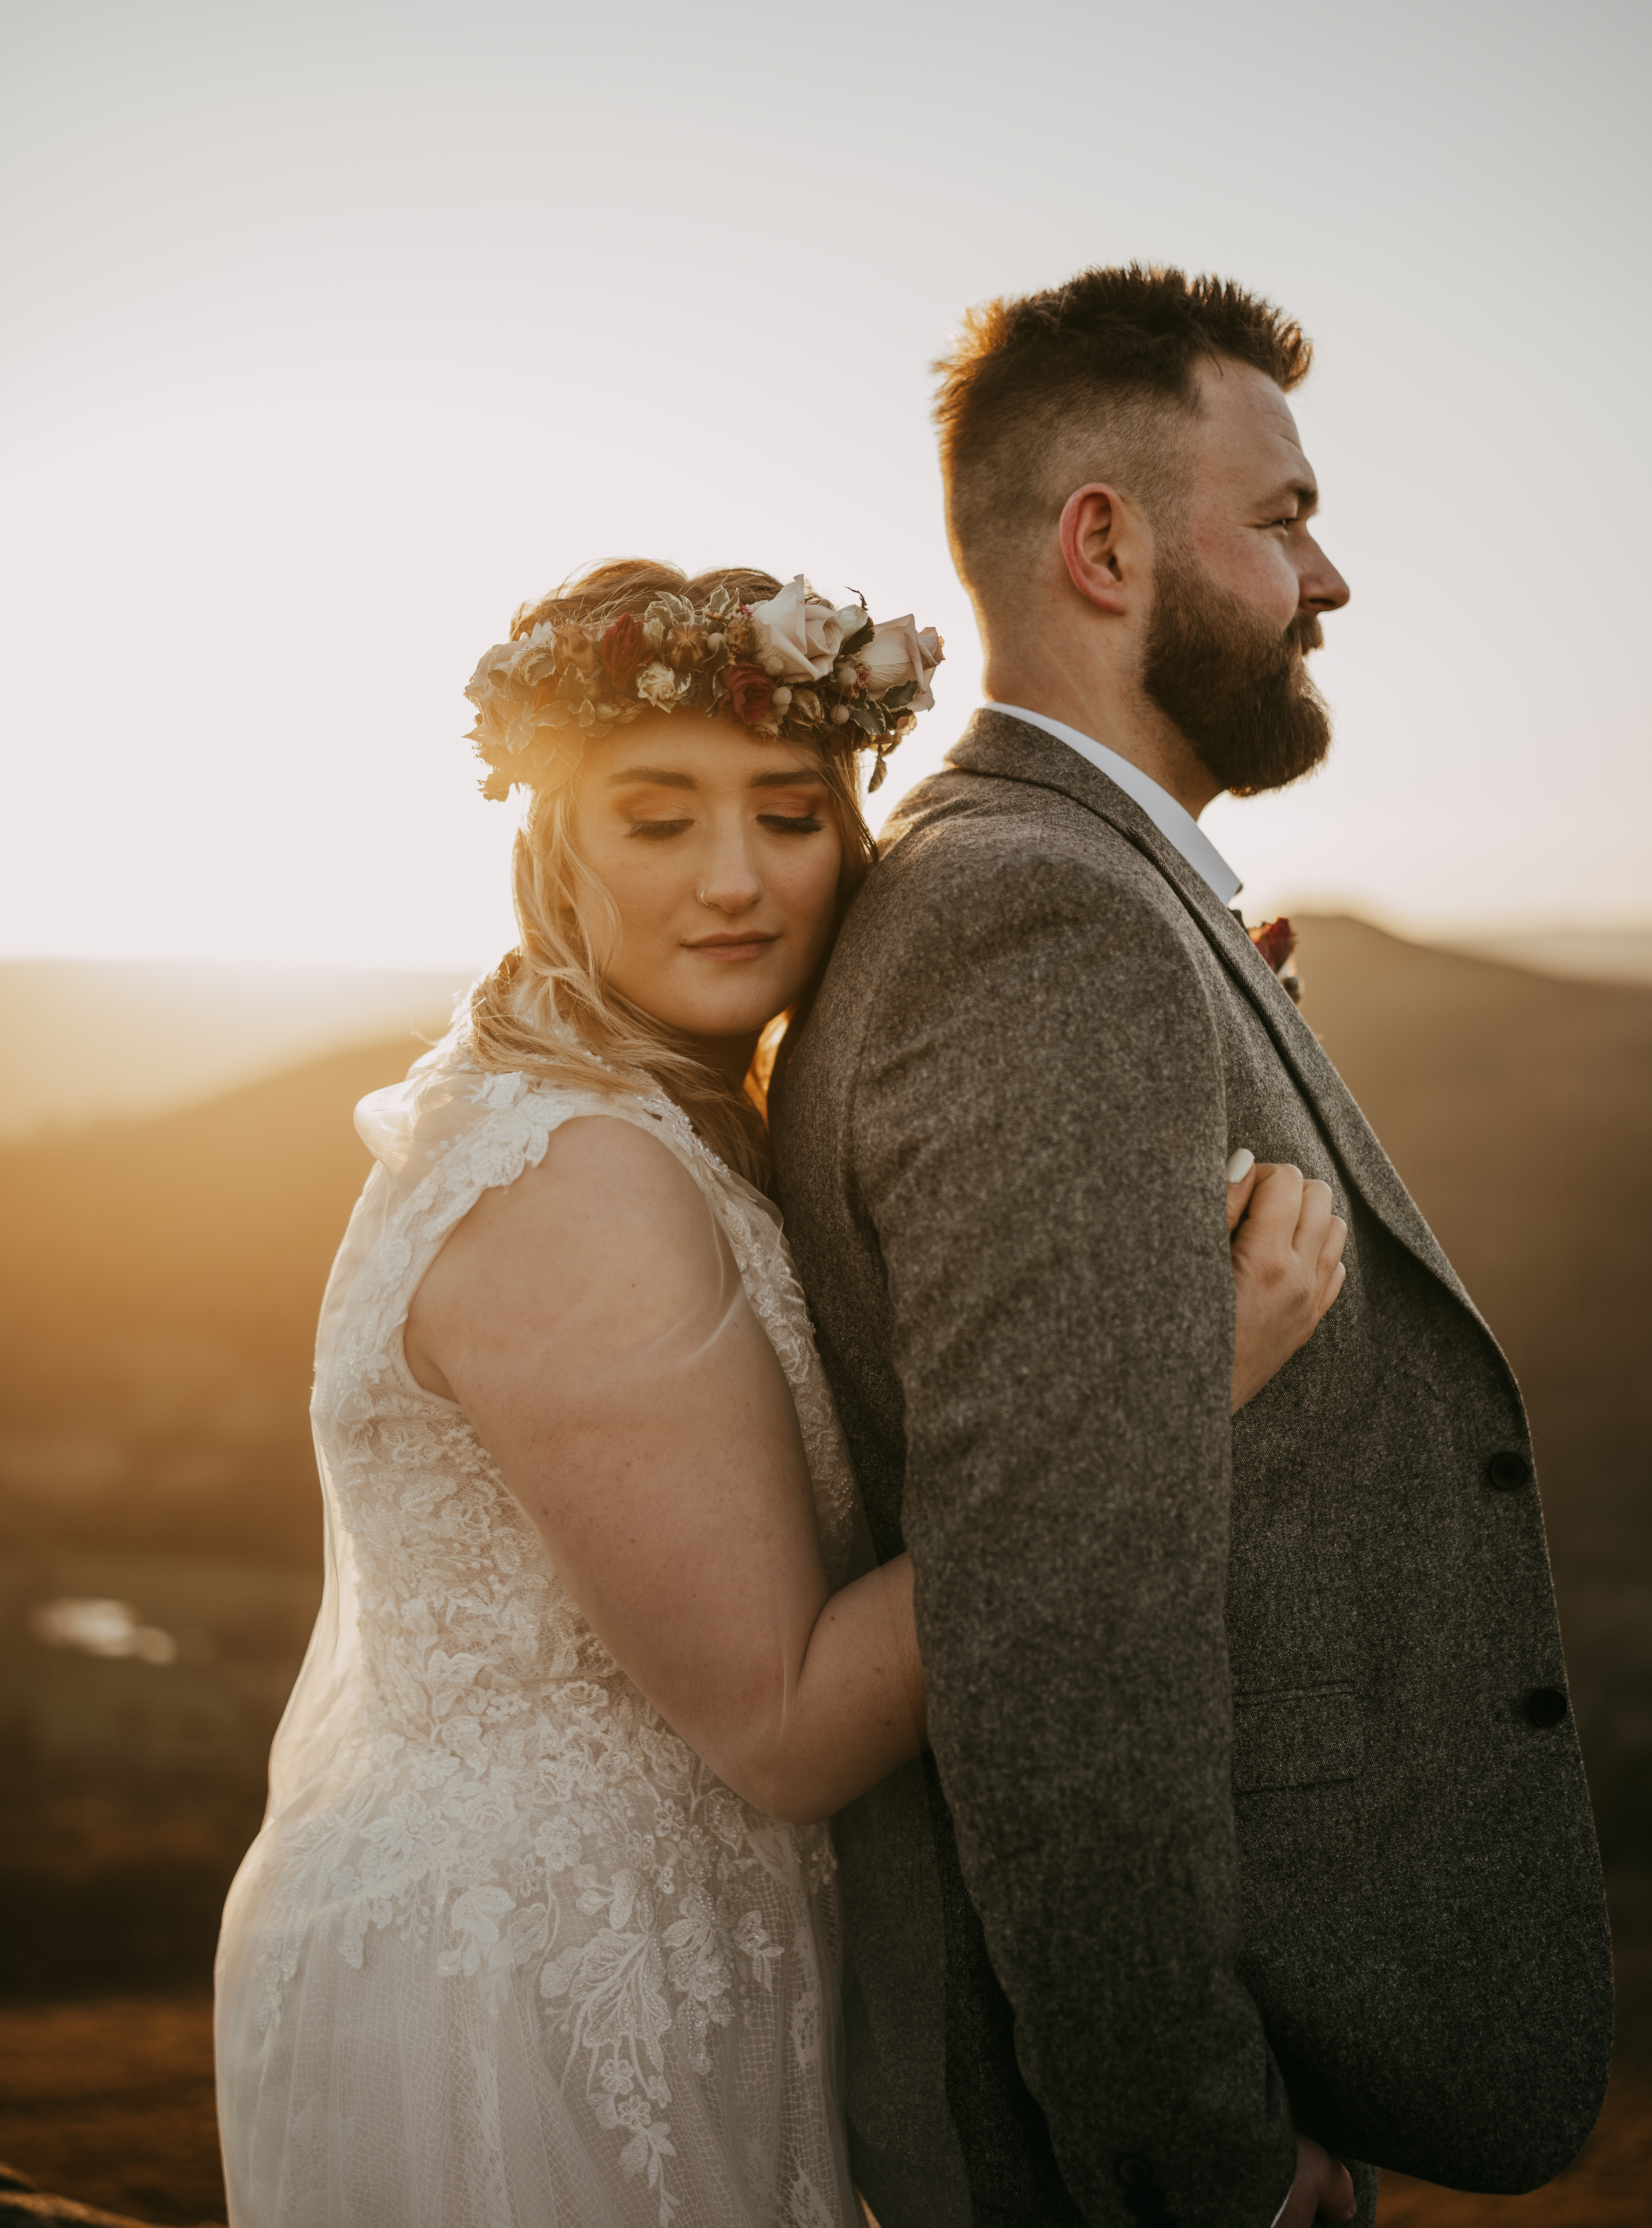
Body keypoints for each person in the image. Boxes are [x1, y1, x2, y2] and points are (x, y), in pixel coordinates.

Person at [214, 558, 1347, 2228]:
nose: (734, 880)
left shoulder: (663, 1106)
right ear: (552, 853)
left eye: (792, 816)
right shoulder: (577, 1180)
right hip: (545, 1985)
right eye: (658, 821)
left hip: (663, 1945)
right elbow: (788, 1721)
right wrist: (1178, 1389)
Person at [769, 265, 1613, 2228]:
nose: (1331, 581)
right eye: (1290, 515)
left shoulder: (1062, 888)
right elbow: (1062, 1638)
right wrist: (1206, 2168)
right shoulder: (1044, 928)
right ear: (1106, 542)